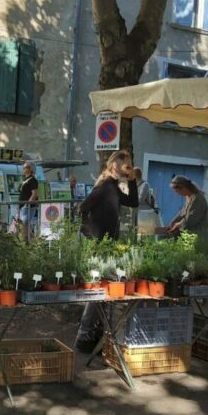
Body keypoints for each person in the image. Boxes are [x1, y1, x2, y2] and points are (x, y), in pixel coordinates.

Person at [75, 151, 139, 352]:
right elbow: (83, 208)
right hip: (98, 245)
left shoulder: (116, 186)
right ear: (114, 167)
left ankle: (94, 331)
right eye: (126, 166)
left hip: (107, 245)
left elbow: (133, 202)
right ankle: (85, 335)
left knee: (104, 289)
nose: (128, 169)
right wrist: (91, 237)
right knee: (98, 289)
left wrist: (133, 181)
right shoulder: (104, 186)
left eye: (130, 166)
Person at [17, 160, 39, 238]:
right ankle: (33, 243)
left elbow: (34, 194)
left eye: (26, 167)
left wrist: (27, 204)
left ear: (31, 169)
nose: (24, 169)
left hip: (28, 207)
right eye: (23, 167)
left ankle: (27, 243)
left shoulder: (33, 180)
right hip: (22, 207)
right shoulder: (25, 179)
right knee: (22, 225)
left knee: (24, 225)